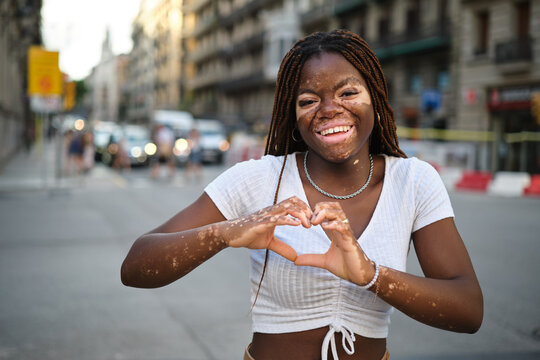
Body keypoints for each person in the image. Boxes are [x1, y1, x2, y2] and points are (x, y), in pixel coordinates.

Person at [121, 30, 483, 360]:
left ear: (375, 95)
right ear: (292, 114)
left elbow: (468, 311)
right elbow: (136, 267)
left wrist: (371, 275)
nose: (329, 110)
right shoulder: (261, 178)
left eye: (348, 93)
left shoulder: (414, 181)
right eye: (308, 100)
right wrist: (225, 232)